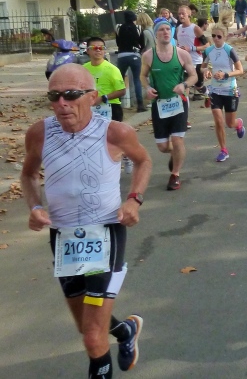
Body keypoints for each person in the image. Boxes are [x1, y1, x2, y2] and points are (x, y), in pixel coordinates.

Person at [20, 63, 153, 379]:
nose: (62, 103)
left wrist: (134, 199)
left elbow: (143, 161)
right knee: (87, 325)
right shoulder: (39, 133)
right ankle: (125, 330)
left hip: (106, 233)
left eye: (71, 94)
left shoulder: (116, 133)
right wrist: (35, 206)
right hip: (64, 238)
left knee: (93, 337)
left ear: (92, 97)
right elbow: (27, 175)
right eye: (54, 96)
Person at [140, 20, 198, 191]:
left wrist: (184, 85)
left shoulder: (181, 54)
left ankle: (175, 175)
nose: (165, 32)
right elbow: (142, 76)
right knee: (163, 146)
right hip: (159, 104)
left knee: (177, 139)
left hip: (179, 102)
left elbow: (193, 76)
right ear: (155, 34)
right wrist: (147, 88)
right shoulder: (148, 56)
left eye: (168, 29)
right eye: (161, 30)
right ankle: (176, 153)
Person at [82, 38, 128, 169]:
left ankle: (124, 155)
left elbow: (122, 90)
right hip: (91, 109)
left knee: (112, 140)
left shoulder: (112, 69)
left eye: (101, 48)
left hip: (111, 107)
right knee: (94, 140)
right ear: (88, 51)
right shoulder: (83, 69)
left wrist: (103, 98)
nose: (98, 50)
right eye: (94, 48)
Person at [203, 25, 245, 162]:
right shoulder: (208, 50)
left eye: (219, 36)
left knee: (230, 123)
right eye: (213, 36)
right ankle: (223, 150)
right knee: (218, 121)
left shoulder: (229, 50)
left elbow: (240, 70)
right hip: (215, 90)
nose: (216, 39)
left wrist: (226, 74)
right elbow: (203, 67)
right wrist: (206, 71)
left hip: (230, 89)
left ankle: (238, 124)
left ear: (225, 37)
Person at [175, 6, 209, 102]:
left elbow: (207, 45)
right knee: (185, 85)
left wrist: (191, 48)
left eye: (183, 14)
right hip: (183, 61)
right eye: (179, 14)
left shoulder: (195, 28)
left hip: (195, 61)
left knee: (198, 86)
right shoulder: (178, 28)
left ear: (189, 15)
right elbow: (178, 44)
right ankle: (184, 105)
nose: (181, 16)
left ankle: (208, 93)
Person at [115, 10, 147, 112]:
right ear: (134, 18)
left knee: (120, 79)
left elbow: (117, 42)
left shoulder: (118, 27)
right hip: (134, 55)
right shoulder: (138, 28)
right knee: (137, 79)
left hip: (122, 55)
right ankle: (140, 105)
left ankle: (117, 104)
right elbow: (142, 44)